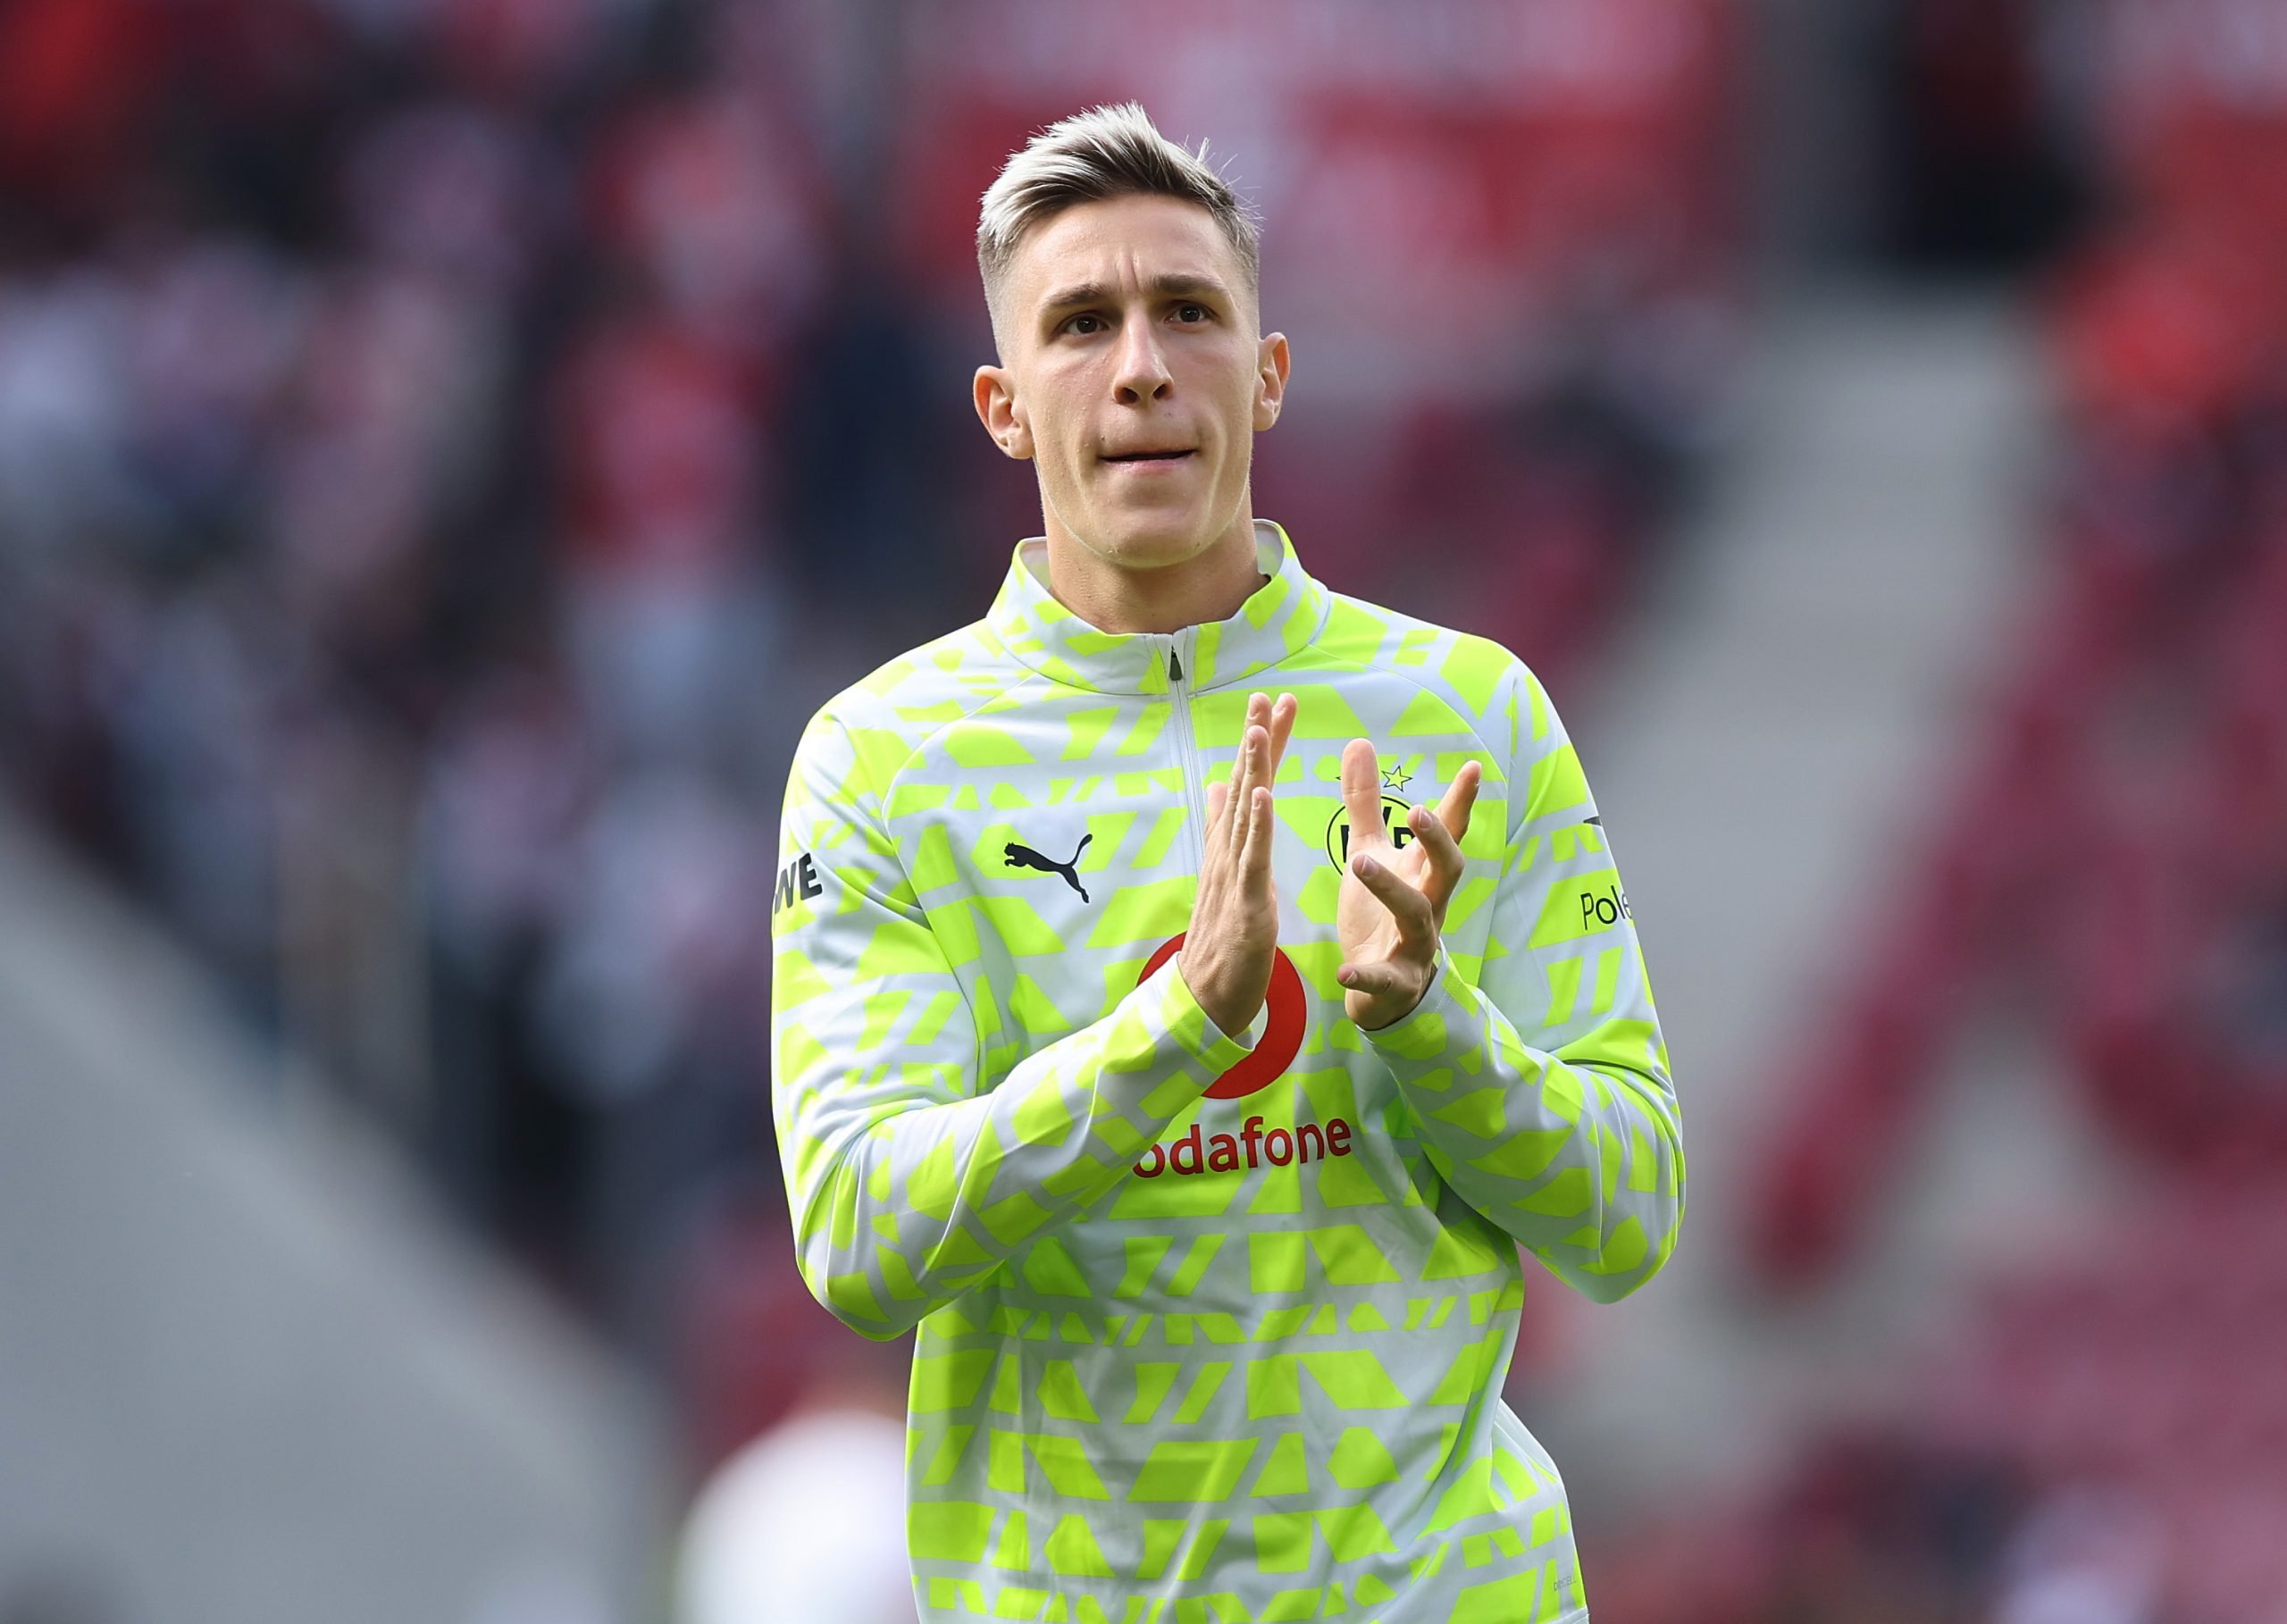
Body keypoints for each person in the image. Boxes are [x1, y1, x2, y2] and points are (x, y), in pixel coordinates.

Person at [770, 101, 1684, 1623]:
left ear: (1265, 376)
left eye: (1190, 311)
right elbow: (863, 1234)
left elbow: (1627, 1213)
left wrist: (1432, 1022)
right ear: (1004, 405)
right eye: (1082, 323)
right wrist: (1177, 1027)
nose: (1142, 364)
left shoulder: (1468, 712)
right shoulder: (883, 760)